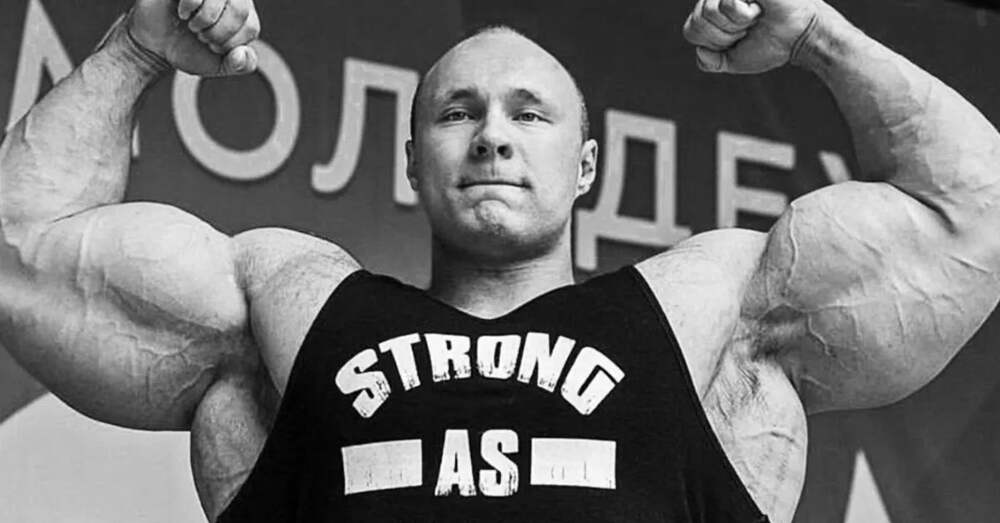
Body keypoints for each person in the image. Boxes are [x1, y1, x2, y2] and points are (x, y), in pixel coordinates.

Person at [1, 0, 998, 520]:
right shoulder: (289, 305)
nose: (491, 136)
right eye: (456, 112)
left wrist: (820, 36)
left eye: (530, 114)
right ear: (412, 161)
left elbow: (975, 219)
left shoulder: (708, 312)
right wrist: (137, 47)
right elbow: (20, 255)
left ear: (586, 166)